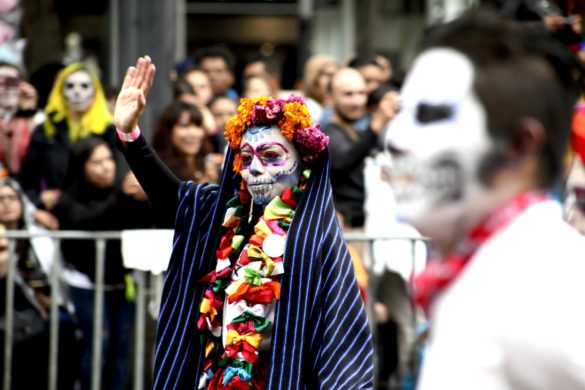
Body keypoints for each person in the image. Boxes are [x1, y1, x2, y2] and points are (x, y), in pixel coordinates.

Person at [114, 55, 373, 389]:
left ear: (302, 164)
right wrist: (129, 135)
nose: (254, 169)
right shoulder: (222, 214)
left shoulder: (316, 238)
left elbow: (342, 349)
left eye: (272, 156)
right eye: (246, 157)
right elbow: (173, 199)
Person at [384, 10, 585, 388]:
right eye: (401, 113)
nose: (395, 139)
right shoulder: (499, 268)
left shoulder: (538, 285)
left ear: (518, 145)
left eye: (430, 115)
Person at [52, 136, 152, 390]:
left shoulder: (120, 192)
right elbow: (86, 220)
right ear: (81, 166)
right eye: (97, 162)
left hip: (122, 282)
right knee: (98, 344)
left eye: (109, 159)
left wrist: (142, 198)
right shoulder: (68, 199)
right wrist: (122, 196)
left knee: (121, 347)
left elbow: (141, 222)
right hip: (85, 282)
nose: (107, 166)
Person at [0, 177, 81, 389]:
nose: (6, 204)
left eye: (12, 198)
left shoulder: (39, 236)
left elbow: (56, 277)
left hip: (48, 308)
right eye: (0, 199)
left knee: (64, 329)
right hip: (13, 311)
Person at [18, 63, 116, 216]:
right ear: (60, 92)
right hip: (57, 215)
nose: (77, 92)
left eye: (84, 86)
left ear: (95, 92)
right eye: (70, 86)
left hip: (101, 212)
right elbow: (27, 178)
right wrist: (38, 203)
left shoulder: (109, 130)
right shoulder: (46, 129)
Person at [324, 67, 391, 228]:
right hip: (350, 231)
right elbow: (342, 161)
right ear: (331, 97)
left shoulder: (360, 132)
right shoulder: (326, 134)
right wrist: (375, 127)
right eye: (348, 94)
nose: (357, 101)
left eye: (361, 93)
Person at [301, 54, 338, 124]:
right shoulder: (309, 109)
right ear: (314, 78)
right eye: (329, 75)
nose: (334, 80)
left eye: (336, 75)